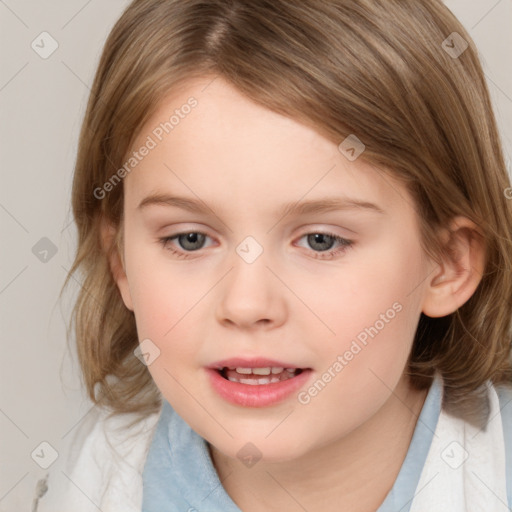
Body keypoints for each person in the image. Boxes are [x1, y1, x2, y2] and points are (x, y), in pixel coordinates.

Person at [31, 0, 512, 510]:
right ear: (121, 260)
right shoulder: (84, 482)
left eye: (321, 240)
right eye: (189, 239)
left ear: (447, 263)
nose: (246, 303)